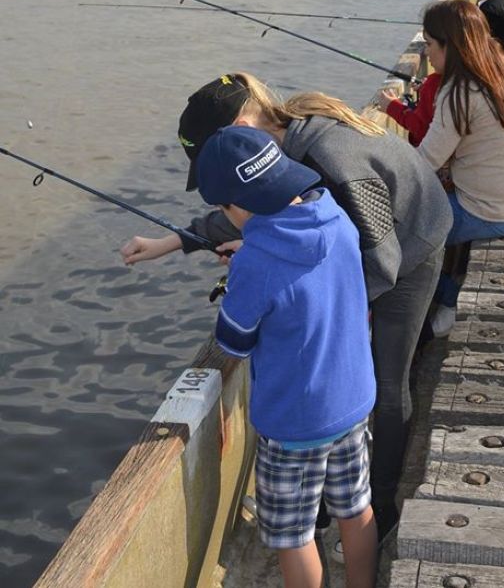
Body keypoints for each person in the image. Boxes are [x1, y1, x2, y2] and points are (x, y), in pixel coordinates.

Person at [121, 72, 453, 546]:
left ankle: (382, 509)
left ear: (240, 128)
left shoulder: (331, 157)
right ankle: (327, 509)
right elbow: (255, 210)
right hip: (374, 243)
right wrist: (173, 241)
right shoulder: (279, 146)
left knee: (386, 381)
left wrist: (285, 279)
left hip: (412, 244)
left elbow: (380, 264)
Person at [196, 125, 377, 588]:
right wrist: (253, 251)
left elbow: (233, 342)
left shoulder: (256, 263)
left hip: (296, 423)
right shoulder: (334, 215)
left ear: (233, 207)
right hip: (353, 401)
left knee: (293, 536)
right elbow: (303, 270)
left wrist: (243, 268)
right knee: (355, 510)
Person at [415, 0, 504, 337]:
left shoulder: (457, 93)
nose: (426, 53)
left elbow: (424, 164)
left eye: (429, 44)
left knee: (411, 234)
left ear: (449, 46)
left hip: (492, 212)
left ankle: (445, 306)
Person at [376, 72, 442, 146]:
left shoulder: (436, 83)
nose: (429, 59)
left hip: (424, 153)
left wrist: (392, 107)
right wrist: (426, 90)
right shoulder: (442, 80)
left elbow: (423, 129)